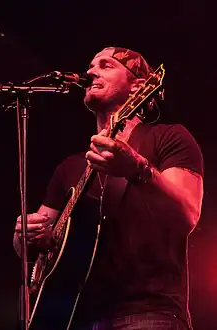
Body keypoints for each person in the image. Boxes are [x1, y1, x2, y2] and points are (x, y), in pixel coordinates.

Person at [13, 47, 204, 330]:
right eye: (91, 66)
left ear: (138, 86)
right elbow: (34, 247)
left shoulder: (168, 137)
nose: (90, 72)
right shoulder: (70, 167)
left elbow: (187, 214)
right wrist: (25, 236)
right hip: (72, 316)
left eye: (105, 65)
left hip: (146, 313)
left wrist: (139, 169)